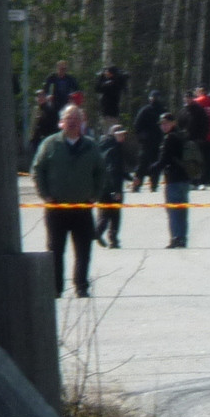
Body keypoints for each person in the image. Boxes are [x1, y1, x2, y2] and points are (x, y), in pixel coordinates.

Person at [31, 100, 109, 297]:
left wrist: (96, 194)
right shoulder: (50, 144)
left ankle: (81, 286)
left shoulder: (90, 146)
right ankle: (56, 288)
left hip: (83, 208)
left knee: (84, 250)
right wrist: (44, 194)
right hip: (56, 208)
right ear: (61, 122)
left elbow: (101, 171)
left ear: (82, 122)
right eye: (68, 119)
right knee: (55, 251)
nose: (73, 122)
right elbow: (37, 169)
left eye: (76, 118)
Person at [152, 110, 195, 247]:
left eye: (166, 123)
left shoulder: (169, 138)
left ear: (173, 123)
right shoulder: (183, 136)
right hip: (185, 179)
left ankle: (176, 238)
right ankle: (182, 238)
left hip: (174, 180)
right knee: (182, 211)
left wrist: (150, 170)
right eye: (162, 124)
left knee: (173, 211)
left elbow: (164, 159)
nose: (163, 126)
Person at [95, 122, 134, 248]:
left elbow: (117, 169)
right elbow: (113, 170)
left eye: (123, 135)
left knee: (104, 213)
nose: (122, 138)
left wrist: (129, 177)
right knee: (114, 215)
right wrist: (116, 191)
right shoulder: (114, 149)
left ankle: (100, 233)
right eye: (120, 135)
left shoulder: (103, 146)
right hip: (112, 187)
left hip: (102, 187)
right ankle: (111, 238)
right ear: (114, 135)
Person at [36, 60, 80, 142]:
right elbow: (45, 90)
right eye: (61, 69)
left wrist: (72, 97)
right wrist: (48, 97)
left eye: (64, 69)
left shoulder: (70, 79)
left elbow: (77, 91)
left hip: (66, 105)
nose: (62, 71)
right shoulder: (52, 78)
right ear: (57, 68)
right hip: (53, 105)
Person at [131, 89, 166, 191]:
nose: (154, 99)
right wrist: (142, 136)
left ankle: (154, 185)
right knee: (142, 165)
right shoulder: (145, 110)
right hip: (146, 143)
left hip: (158, 142)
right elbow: (137, 125)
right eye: (152, 97)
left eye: (156, 97)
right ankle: (137, 185)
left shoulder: (162, 111)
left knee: (156, 164)